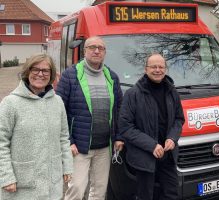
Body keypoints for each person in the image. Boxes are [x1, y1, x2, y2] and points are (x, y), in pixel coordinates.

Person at [56, 35, 124, 200]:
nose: (96, 51)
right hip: (79, 147)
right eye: (92, 47)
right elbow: (59, 111)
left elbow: (120, 110)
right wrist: (69, 141)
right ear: (84, 51)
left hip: (104, 146)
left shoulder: (112, 77)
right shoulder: (70, 76)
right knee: (76, 190)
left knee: (99, 191)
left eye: (100, 48)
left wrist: (119, 137)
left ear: (105, 53)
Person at [0, 53, 73, 200]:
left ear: (51, 74)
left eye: (46, 70)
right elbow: (2, 142)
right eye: (35, 69)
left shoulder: (57, 102)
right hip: (21, 184)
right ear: (27, 72)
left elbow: (64, 137)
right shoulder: (10, 103)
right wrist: (6, 176)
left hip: (51, 182)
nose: (40, 74)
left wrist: (67, 166)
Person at [118, 53, 185, 200]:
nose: (157, 70)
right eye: (153, 66)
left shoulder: (172, 91)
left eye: (161, 67)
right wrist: (152, 145)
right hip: (144, 157)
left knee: (172, 194)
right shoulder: (133, 94)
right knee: (146, 196)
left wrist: (172, 138)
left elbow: (179, 119)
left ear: (165, 69)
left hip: (167, 155)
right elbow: (125, 127)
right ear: (145, 69)